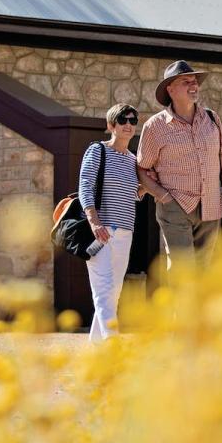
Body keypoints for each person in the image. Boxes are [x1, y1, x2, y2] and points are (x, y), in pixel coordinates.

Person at [137, 61, 222, 274]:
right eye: (186, 82)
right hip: (174, 206)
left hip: (211, 207)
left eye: (195, 82)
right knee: (182, 271)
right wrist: (162, 195)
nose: (194, 86)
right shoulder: (155, 127)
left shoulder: (212, 119)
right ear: (171, 89)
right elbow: (141, 168)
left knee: (203, 276)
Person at [80, 103, 144, 342]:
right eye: (122, 120)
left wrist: (145, 188)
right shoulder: (98, 151)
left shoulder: (132, 160)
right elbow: (85, 184)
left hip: (125, 232)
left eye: (133, 121)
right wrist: (94, 222)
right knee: (104, 290)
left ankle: (95, 354)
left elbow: (132, 195)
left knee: (112, 294)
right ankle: (113, 344)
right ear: (111, 126)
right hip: (102, 231)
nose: (128, 125)